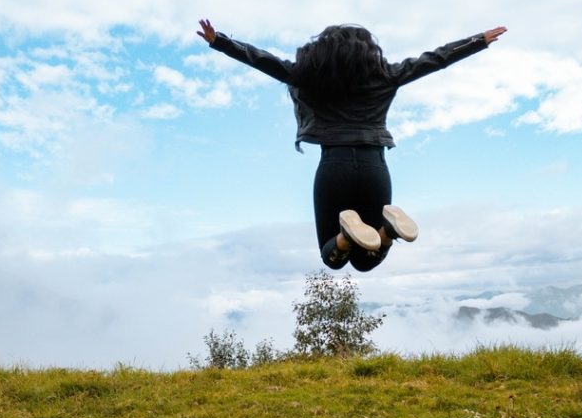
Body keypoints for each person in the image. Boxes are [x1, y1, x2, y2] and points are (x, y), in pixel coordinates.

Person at [197, 19, 506, 271]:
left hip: (335, 166)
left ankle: (347, 235)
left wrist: (220, 41)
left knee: (332, 256)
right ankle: (388, 230)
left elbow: (264, 61)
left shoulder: (308, 77)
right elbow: (434, 59)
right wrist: (478, 40)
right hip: (375, 167)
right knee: (365, 261)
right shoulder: (386, 75)